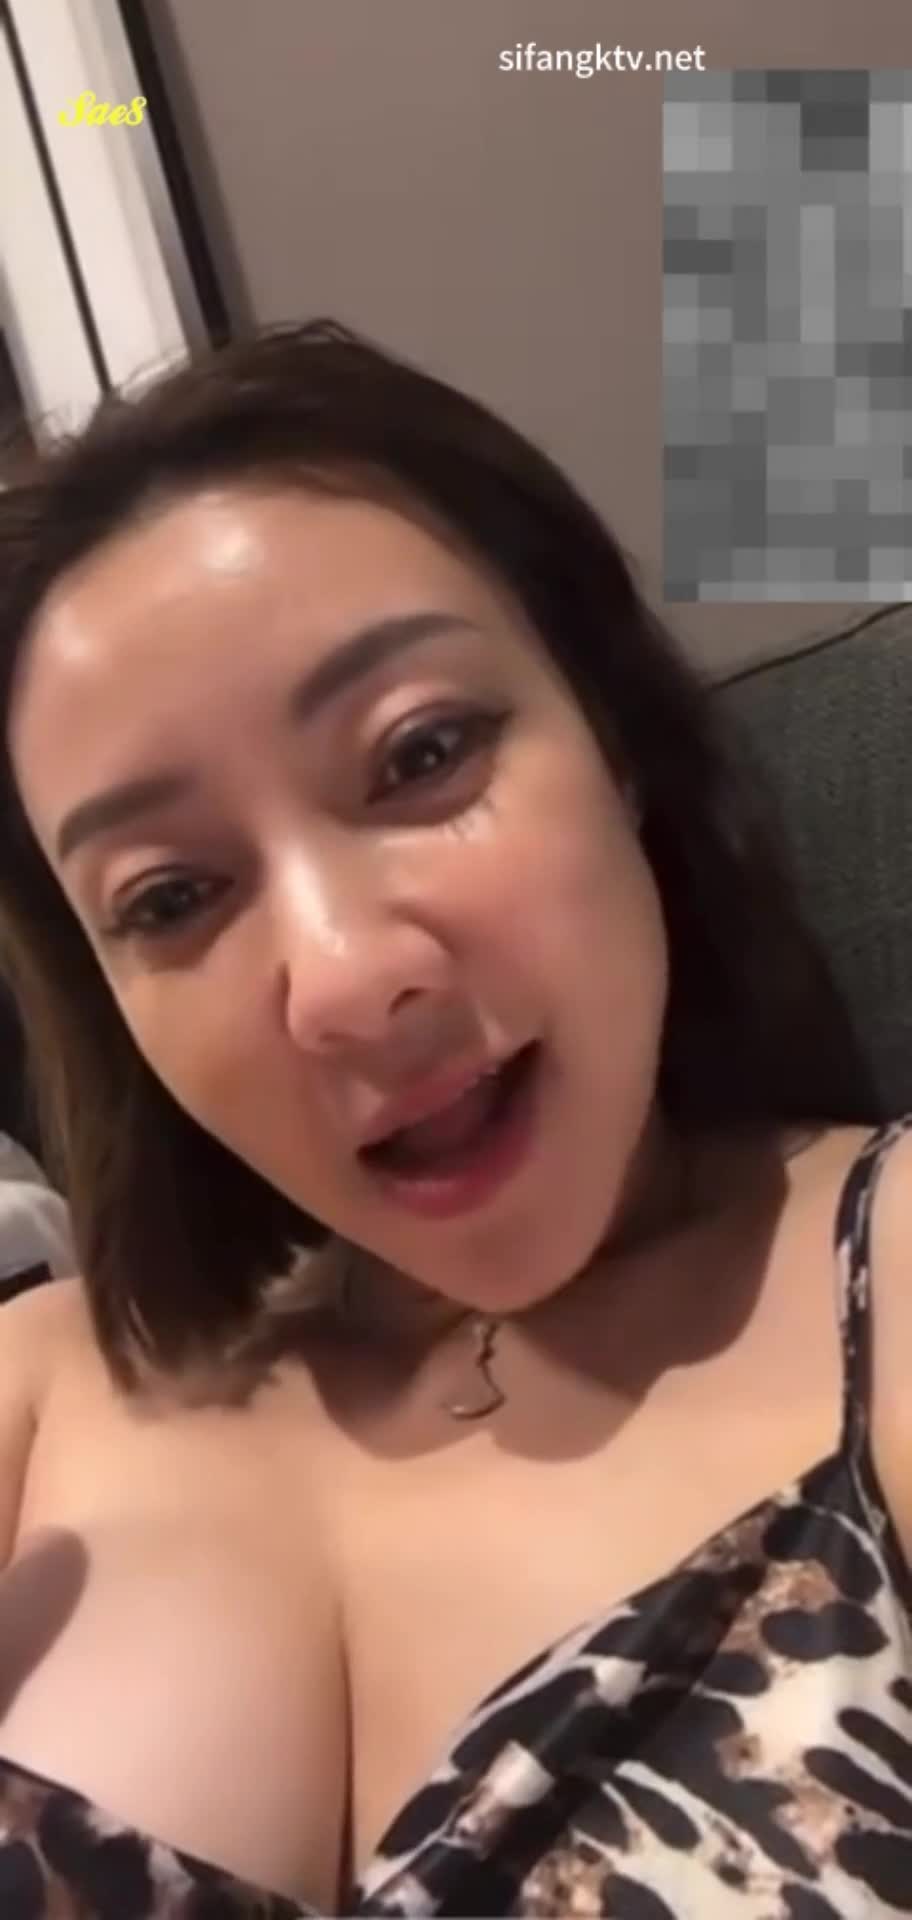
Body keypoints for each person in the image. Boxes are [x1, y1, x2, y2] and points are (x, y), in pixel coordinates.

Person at [0, 318, 908, 1920]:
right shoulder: (41, 1383)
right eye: (172, 896)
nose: (347, 981)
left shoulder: (888, 1279)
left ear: (615, 742)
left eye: (422, 754)